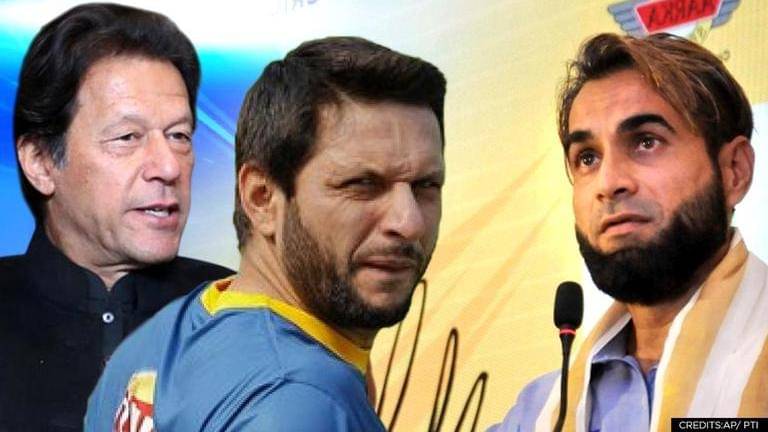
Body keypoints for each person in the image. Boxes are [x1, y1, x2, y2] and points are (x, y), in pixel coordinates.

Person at [85, 36, 447, 431]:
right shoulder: (305, 402)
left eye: (426, 186)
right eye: (362, 185)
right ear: (261, 198)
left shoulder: (147, 350)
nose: (409, 222)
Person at [490, 33, 765, 432]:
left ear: (734, 171)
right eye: (587, 158)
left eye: (646, 142)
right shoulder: (541, 413)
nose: (609, 183)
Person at [0, 4, 233, 431]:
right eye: (127, 137)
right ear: (40, 161)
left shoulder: (241, 317)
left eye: (179, 135)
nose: (169, 166)